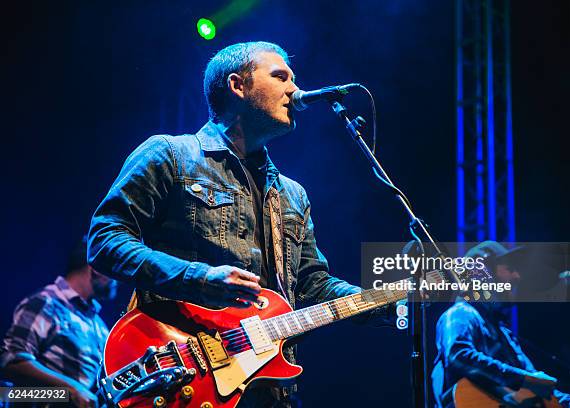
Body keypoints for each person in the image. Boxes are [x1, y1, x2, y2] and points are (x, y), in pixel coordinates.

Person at [87, 41, 380, 407]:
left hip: (270, 389)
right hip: (182, 374)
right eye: (280, 77)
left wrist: (387, 300)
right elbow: (104, 239)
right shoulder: (170, 155)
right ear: (238, 86)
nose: (294, 89)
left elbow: (310, 285)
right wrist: (199, 279)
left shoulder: (292, 194)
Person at [431, 241, 570, 407]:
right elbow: (458, 356)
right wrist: (523, 379)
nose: (517, 276)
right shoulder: (461, 314)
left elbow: (538, 383)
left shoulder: (504, 333)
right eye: (510, 269)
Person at [0, 236, 117, 408]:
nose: (119, 280)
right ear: (96, 269)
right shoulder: (46, 303)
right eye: (115, 271)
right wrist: (71, 390)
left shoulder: (100, 327)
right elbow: (10, 360)